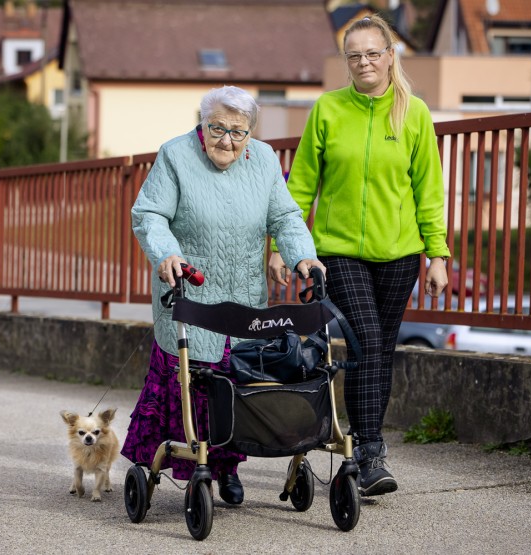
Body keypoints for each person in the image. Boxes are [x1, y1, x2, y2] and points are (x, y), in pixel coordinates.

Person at [269, 14, 450, 497]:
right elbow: (301, 183)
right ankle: (369, 453)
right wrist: (281, 246)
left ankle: (369, 453)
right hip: (338, 251)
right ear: (346, 62)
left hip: (399, 254)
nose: (364, 62)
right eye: (355, 55)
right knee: (366, 339)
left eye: (373, 53)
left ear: (390, 57)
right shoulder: (328, 110)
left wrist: (437, 255)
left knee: (380, 351)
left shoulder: (414, 113)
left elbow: (429, 190)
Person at [123, 85, 325, 505]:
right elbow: (149, 214)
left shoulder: (265, 158)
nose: (227, 140)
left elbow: (285, 216)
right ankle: (184, 468)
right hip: (190, 293)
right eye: (217, 128)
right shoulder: (175, 155)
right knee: (192, 382)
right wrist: (166, 254)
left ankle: (227, 469)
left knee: (236, 387)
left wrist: (303, 257)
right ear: (203, 123)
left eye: (238, 131)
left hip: (245, 298)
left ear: (250, 132)